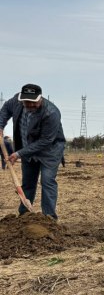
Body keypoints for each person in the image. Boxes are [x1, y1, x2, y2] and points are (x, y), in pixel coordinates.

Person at [0, 84, 66, 220]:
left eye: (33, 102)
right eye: (26, 102)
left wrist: (19, 153)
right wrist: (0, 126)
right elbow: (5, 110)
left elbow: (46, 141)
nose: (29, 104)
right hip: (27, 149)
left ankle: (49, 218)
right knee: (28, 182)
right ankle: (24, 216)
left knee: (47, 181)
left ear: (40, 98)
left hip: (50, 151)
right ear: (21, 99)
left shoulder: (51, 113)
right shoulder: (16, 101)